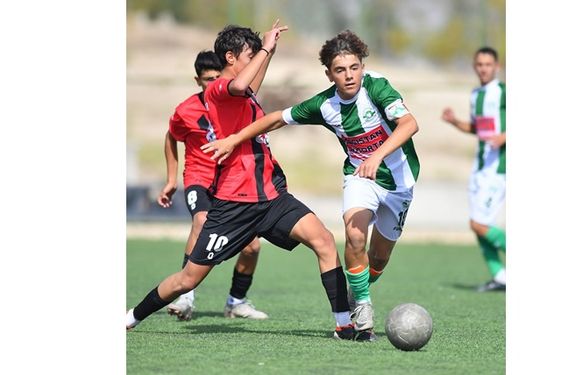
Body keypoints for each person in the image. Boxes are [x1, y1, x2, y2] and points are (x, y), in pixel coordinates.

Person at [127, 21, 356, 341]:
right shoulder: (219, 89)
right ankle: (131, 317)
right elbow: (238, 86)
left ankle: (344, 324)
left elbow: (250, 84)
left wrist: (269, 51)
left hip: (272, 198)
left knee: (324, 241)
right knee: (187, 280)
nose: (255, 62)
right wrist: (264, 48)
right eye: (250, 57)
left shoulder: (244, 94)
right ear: (231, 58)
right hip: (235, 203)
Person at [203, 30, 420, 341]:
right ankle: (362, 306)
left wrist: (377, 155)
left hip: (399, 181)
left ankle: (360, 286)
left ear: (362, 66)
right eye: (341, 70)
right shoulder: (324, 105)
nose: (350, 76)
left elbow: (410, 124)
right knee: (354, 233)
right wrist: (235, 138)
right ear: (329, 74)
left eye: (355, 67)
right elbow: (277, 118)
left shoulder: (377, 86)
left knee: (379, 258)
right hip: (360, 176)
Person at [156, 50, 267, 321]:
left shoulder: (236, 101)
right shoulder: (185, 110)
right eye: (208, 79)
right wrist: (171, 180)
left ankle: (236, 302)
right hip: (199, 177)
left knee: (252, 246)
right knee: (201, 220)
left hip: (231, 181)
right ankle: (185, 297)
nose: (213, 82)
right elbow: (171, 137)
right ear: (198, 80)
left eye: (218, 76)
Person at [441, 46, 506, 292]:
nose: (483, 68)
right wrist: (455, 121)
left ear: (496, 67)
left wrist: (505, 136)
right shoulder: (475, 94)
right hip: (480, 167)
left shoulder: (502, 93)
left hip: (500, 168)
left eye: (488, 64)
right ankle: (500, 276)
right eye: (479, 64)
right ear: (474, 66)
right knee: (475, 224)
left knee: (480, 224)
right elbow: (477, 129)